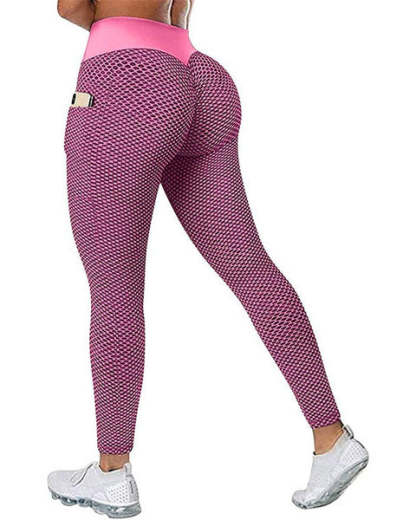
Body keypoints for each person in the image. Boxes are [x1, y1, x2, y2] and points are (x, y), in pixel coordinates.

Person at [48, 0, 369, 516]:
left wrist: (116, 27)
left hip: (124, 87)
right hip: (198, 77)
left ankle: (111, 473)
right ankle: (332, 439)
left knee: (114, 291)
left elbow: (71, 7)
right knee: (250, 266)